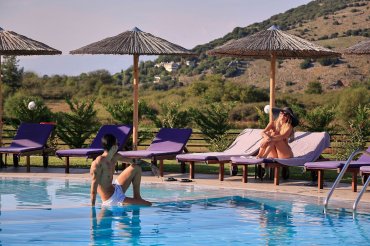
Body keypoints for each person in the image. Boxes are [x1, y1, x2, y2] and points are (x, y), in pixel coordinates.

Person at [90, 134, 152, 207]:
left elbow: (134, 161)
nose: (118, 146)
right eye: (118, 144)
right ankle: (131, 201)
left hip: (116, 188)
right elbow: (94, 186)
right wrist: (92, 208)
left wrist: (151, 166)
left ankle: (137, 197)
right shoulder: (98, 163)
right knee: (148, 204)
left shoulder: (115, 156)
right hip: (112, 199)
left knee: (136, 167)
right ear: (113, 147)